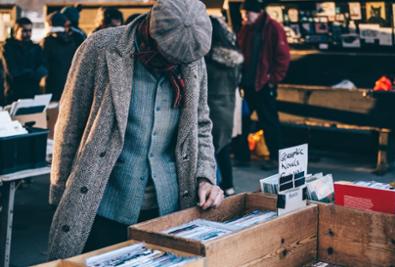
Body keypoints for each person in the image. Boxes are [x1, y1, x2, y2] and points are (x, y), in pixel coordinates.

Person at [48, 0, 223, 260]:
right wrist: (61, 195)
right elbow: (70, 123)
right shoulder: (99, 48)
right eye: (168, 56)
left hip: (168, 208)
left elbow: (200, 124)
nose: (175, 64)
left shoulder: (192, 61)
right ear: (152, 32)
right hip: (102, 204)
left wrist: (205, 176)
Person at [237, 0, 290, 169]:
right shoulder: (246, 29)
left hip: (264, 85)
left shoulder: (273, 27)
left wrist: (273, 78)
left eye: (247, 13)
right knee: (241, 121)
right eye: (243, 14)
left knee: (269, 122)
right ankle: (242, 156)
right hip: (248, 84)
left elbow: (283, 57)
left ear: (257, 12)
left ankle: (276, 159)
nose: (244, 17)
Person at [205, 16, 243, 196]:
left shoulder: (206, 58)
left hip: (209, 109)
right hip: (228, 107)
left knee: (207, 152)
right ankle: (228, 186)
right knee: (223, 149)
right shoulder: (232, 59)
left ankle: (213, 187)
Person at [0, 17, 47, 104]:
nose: (28, 34)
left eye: (30, 31)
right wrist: (33, 73)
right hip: (14, 94)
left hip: (33, 93)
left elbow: (43, 68)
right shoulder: (8, 47)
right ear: (16, 31)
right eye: (24, 31)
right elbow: (13, 72)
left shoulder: (36, 48)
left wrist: (31, 73)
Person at [42, 12, 78, 101]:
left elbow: (43, 65)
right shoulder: (72, 42)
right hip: (70, 85)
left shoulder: (46, 42)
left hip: (51, 86)